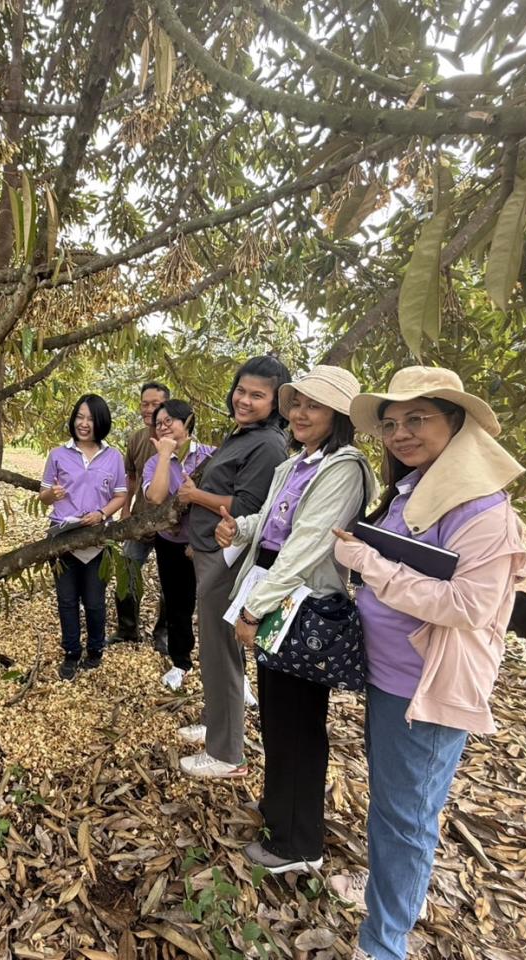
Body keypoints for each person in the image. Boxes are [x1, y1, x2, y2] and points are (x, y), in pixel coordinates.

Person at [330, 367, 526, 960]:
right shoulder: (415, 490)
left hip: (426, 689)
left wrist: (370, 565)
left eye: (418, 419)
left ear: (457, 423)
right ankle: (390, 897)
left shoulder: (485, 514)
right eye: (391, 423)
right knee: (394, 805)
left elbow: (468, 606)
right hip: (390, 678)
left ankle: (384, 943)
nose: (400, 433)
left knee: (406, 816)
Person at [213, 366, 375, 873]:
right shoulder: (298, 463)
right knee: (281, 718)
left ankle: (298, 844)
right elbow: (272, 523)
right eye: (298, 402)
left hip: (299, 603)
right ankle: (279, 809)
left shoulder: (343, 467)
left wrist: (254, 609)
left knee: (300, 724)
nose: (301, 413)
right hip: (277, 592)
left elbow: (306, 545)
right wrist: (239, 530)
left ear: (340, 416)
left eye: (316, 406)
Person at [178, 355, 290, 779]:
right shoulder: (244, 434)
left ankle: (227, 753)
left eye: (258, 395)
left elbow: (246, 509)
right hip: (211, 551)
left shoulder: (267, 444)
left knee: (221, 651)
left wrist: (195, 497)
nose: (245, 400)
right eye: (241, 390)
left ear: (276, 402)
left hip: (228, 559)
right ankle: (214, 722)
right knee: (212, 646)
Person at [40, 394, 128, 680]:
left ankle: (95, 648)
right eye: (80, 416)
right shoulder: (58, 454)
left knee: (94, 600)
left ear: (101, 421)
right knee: (66, 599)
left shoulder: (113, 457)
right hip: (63, 537)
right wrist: (50, 494)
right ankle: (71, 652)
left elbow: (121, 495)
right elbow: (43, 497)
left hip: (97, 539)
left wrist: (102, 514)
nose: (84, 423)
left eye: (90, 418)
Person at [142, 398, 216, 690]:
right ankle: (181, 662)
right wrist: (164, 456)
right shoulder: (153, 462)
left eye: (169, 421)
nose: (163, 427)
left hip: (208, 542)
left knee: (217, 603)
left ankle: (235, 669)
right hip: (171, 543)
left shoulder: (210, 455)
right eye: (158, 424)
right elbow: (157, 497)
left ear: (187, 422)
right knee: (177, 603)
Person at [116, 381, 172, 648]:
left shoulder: (178, 438)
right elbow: (131, 476)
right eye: (145, 403)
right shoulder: (137, 438)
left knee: (169, 581)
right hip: (139, 519)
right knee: (127, 570)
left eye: (155, 403)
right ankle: (127, 629)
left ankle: (164, 634)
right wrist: (126, 509)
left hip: (171, 524)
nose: (149, 409)